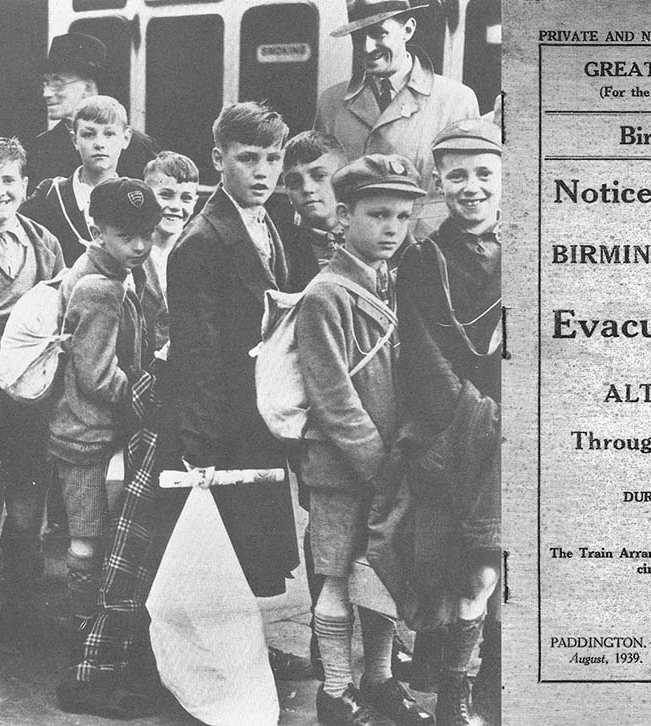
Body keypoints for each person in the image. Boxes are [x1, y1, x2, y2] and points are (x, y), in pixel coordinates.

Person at [165, 101, 307, 679]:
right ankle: (219, 662)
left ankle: (245, 648)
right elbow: (196, 352)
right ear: (218, 159)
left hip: (259, 412)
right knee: (225, 542)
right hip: (223, 420)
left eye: (273, 159)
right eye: (249, 158)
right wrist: (200, 443)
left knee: (250, 545)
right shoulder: (200, 240)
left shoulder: (269, 222)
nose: (264, 172)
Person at [295, 154, 431, 726]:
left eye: (403, 216)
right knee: (334, 577)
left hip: (390, 464)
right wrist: (381, 466)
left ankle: (378, 680)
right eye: (378, 214)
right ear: (344, 215)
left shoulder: (395, 283)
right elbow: (333, 399)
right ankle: (335, 691)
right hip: (341, 467)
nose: (392, 229)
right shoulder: (327, 294)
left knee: (379, 575)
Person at [395, 119, 502, 726]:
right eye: (457, 175)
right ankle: (447, 693)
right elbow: (421, 353)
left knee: (487, 567)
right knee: (454, 569)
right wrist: (480, 415)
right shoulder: (422, 260)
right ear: (439, 181)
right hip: (449, 435)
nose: (472, 188)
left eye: (485, 174)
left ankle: (461, 696)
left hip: (506, 437)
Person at [47, 177, 160, 660]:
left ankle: (93, 621)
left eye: (147, 233)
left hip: (93, 427)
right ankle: (82, 629)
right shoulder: (100, 286)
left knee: (98, 532)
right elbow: (96, 376)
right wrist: (143, 395)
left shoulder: (109, 269)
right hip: (86, 432)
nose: (139, 245)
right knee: (88, 538)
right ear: (97, 230)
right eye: (125, 234)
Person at [0, 137, 66, 641]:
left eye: (9, 180)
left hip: (28, 374)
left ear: (25, 186)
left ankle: (21, 604)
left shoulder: (43, 241)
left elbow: (56, 308)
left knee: (28, 485)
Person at [314, 0, 479, 197]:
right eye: (358, 36)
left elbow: (470, 189)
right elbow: (317, 183)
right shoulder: (331, 103)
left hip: (425, 228)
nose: (367, 47)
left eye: (378, 33)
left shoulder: (457, 101)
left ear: (408, 30)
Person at [27, 32, 157, 187]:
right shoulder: (41, 149)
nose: (46, 93)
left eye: (57, 83)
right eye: (46, 84)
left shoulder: (138, 146)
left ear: (88, 88)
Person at [20, 95, 134, 265]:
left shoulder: (135, 197)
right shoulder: (51, 194)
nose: (100, 144)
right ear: (74, 139)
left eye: (109, 134)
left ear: (126, 138)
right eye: (89, 135)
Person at [140, 151, 200, 355]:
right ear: (146, 194)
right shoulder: (129, 254)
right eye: (166, 195)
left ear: (195, 202)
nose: (175, 206)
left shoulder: (201, 254)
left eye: (186, 198)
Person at [280, 130, 348, 291]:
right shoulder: (282, 251)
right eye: (294, 181)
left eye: (318, 176)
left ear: (343, 179)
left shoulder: (368, 237)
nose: (307, 188)